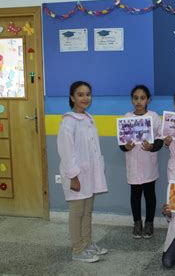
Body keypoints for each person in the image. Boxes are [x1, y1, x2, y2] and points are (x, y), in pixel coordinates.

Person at [57, 81, 108, 263]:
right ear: (72, 97)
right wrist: (74, 176)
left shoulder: (87, 118)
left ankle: (87, 243)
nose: (85, 98)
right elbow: (66, 152)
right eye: (80, 94)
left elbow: (92, 149)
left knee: (87, 211)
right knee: (77, 212)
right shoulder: (68, 122)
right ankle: (77, 249)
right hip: (77, 176)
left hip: (89, 174)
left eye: (88, 94)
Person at [120, 85, 163, 239]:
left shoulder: (154, 116)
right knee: (135, 194)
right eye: (136, 98)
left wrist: (152, 146)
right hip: (133, 163)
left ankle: (149, 222)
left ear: (148, 100)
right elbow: (121, 144)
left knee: (150, 194)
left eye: (142, 98)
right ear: (132, 100)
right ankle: (137, 222)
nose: (139, 101)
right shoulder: (126, 117)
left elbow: (160, 140)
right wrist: (126, 147)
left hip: (148, 163)